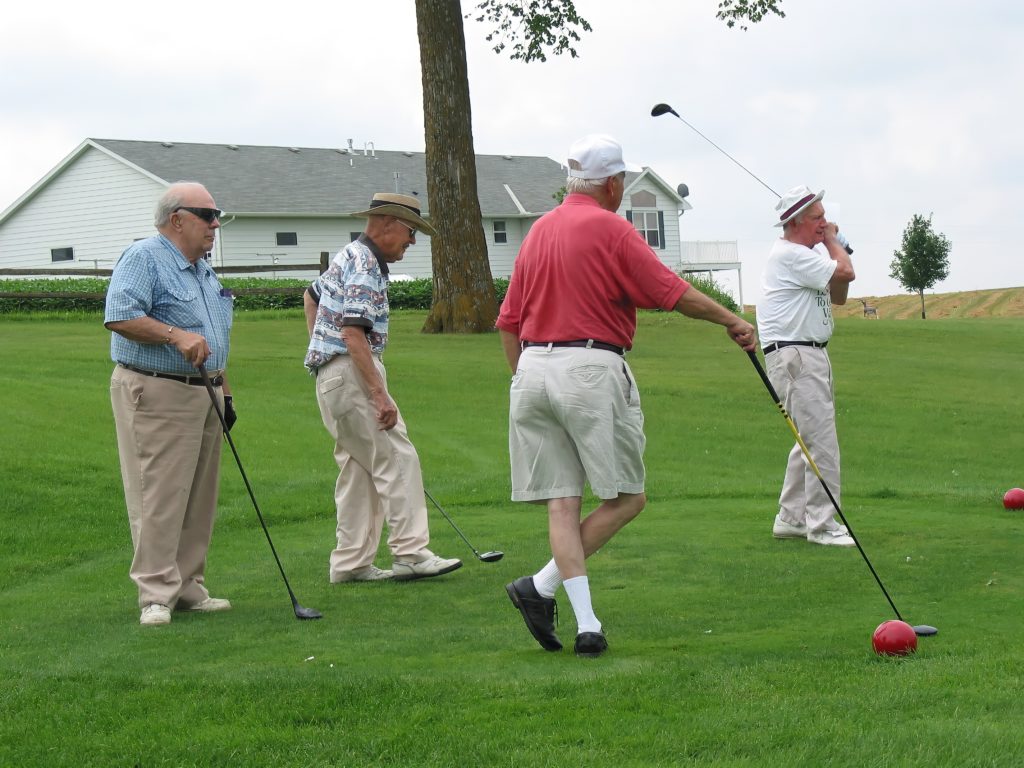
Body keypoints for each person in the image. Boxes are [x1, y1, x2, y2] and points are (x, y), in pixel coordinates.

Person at [496, 134, 757, 657]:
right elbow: (671, 291)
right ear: (613, 183)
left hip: (530, 369)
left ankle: (575, 616)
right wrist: (731, 319)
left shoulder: (539, 230)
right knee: (627, 497)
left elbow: (508, 321)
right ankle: (550, 595)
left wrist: (523, 376)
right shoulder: (611, 227)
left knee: (562, 503)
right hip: (590, 366)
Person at [305, 193, 462, 583]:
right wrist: (378, 393)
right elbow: (353, 330)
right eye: (410, 233)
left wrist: (320, 349)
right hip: (354, 369)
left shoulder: (348, 255)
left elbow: (310, 297)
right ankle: (411, 552)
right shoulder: (365, 264)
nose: (412, 242)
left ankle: (351, 563)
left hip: (333, 375)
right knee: (397, 457)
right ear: (388, 223)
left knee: (360, 469)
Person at [105, 182, 236, 627]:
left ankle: (188, 586)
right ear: (177, 219)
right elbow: (119, 313)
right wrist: (174, 335)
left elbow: (214, 337)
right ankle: (156, 593)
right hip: (158, 389)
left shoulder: (203, 269)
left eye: (216, 215)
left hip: (207, 391)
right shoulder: (144, 257)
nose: (215, 224)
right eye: (208, 214)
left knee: (200, 494)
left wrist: (226, 390)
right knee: (159, 493)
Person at [756, 185, 856, 547]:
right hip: (796, 353)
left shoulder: (804, 256)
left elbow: (840, 295)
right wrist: (835, 244)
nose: (824, 223)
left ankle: (791, 517)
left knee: (809, 440)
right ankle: (823, 525)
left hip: (806, 352)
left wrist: (834, 248)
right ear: (796, 222)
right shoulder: (790, 254)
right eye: (817, 218)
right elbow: (847, 273)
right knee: (821, 441)